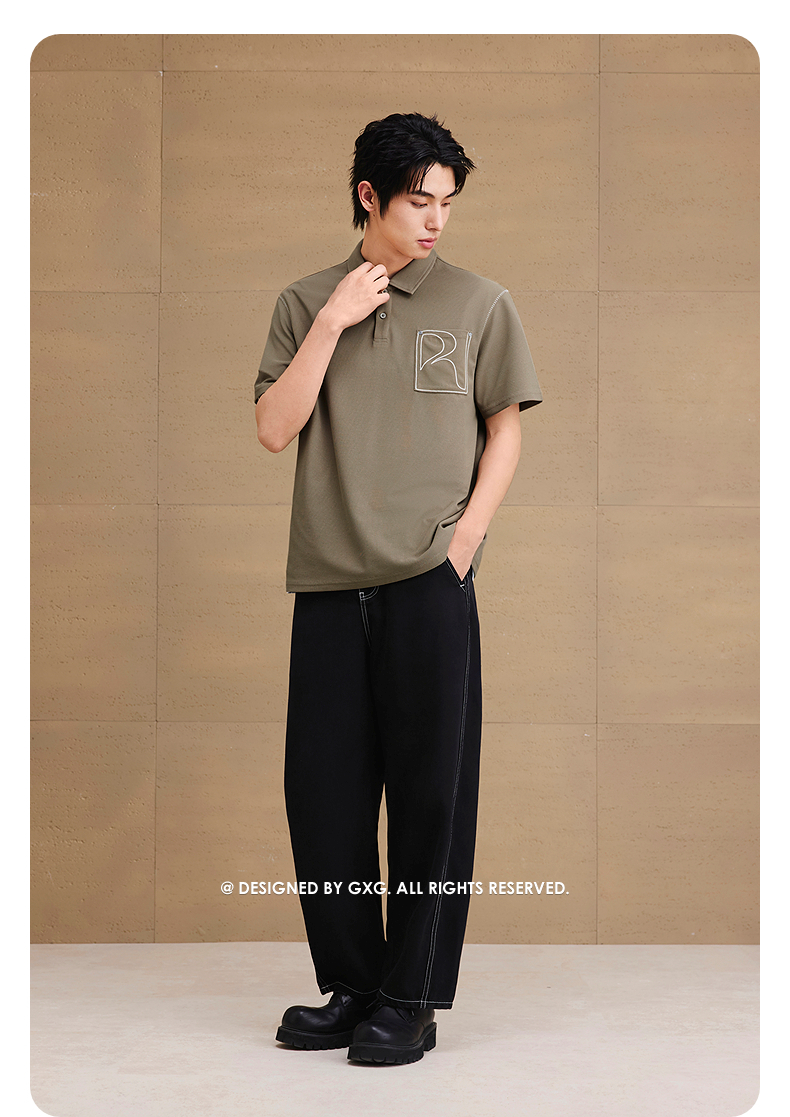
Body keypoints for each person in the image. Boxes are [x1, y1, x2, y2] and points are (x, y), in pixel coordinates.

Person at [253, 111, 542, 1066]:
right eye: (419, 201)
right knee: (324, 797)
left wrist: (465, 544)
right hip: (330, 584)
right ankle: (354, 985)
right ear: (369, 197)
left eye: (447, 203)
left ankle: (411, 996)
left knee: (431, 796)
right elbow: (274, 428)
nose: (435, 221)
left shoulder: (479, 302)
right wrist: (334, 321)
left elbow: (505, 427)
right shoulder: (305, 301)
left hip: (428, 581)